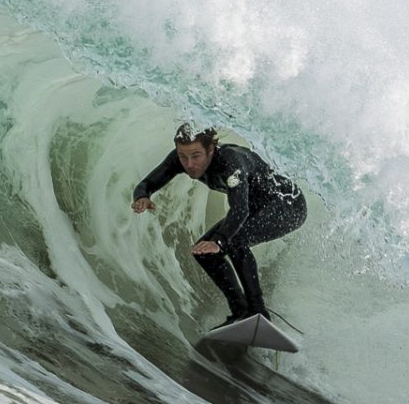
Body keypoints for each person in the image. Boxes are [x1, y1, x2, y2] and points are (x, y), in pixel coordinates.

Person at [132, 122, 307, 329]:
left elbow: (240, 210)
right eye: (183, 157)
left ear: (211, 150)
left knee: (234, 241)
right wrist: (142, 196)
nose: (189, 164)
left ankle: (258, 312)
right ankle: (240, 311)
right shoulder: (183, 158)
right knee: (204, 252)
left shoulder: (231, 162)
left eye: (196, 156)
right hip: (257, 208)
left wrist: (219, 241)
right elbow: (146, 184)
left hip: (288, 206)